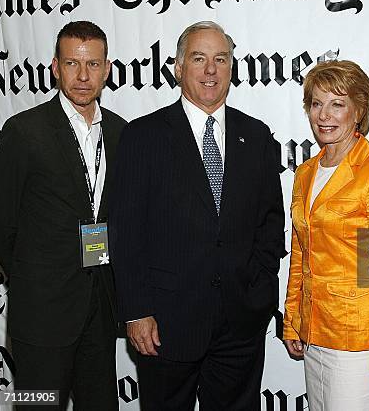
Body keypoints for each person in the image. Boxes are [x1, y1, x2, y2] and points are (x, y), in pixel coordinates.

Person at [109, 21, 285, 411]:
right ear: (177, 66)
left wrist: (256, 290)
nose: (211, 70)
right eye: (199, 58)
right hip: (165, 326)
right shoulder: (143, 136)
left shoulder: (255, 136)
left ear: (231, 68)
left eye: (220, 59)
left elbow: (270, 224)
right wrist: (137, 311)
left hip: (240, 326)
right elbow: (124, 233)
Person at [0, 21, 126, 410]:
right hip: (41, 314)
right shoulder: (23, 131)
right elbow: (2, 224)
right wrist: (35, 282)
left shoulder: (121, 132)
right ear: (55, 67)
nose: (83, 76)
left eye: (93, 65)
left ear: (106, 68)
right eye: (72, 64)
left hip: (100, 308)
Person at [282, 60, 369, 410]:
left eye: (337, 103)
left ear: (359, 110)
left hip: (360, 345)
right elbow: (300, 256)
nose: (324, 115)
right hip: (314, 335)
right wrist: (293, 320)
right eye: (316, 103)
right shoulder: (306, 173)